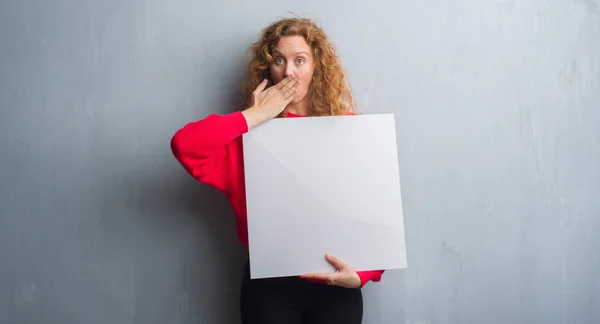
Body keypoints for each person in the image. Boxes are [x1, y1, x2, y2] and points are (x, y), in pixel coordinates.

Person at [170, 17, 385, 324]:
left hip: (337, 287)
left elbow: (376, 211)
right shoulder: (247, 139)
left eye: (300, 60)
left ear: (316, 67)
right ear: (267, 69)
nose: (289, 72)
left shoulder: (347, 129)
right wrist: (254, 115)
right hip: (270, 289)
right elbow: (184, 145)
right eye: (279, 61)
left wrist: (363, 275)